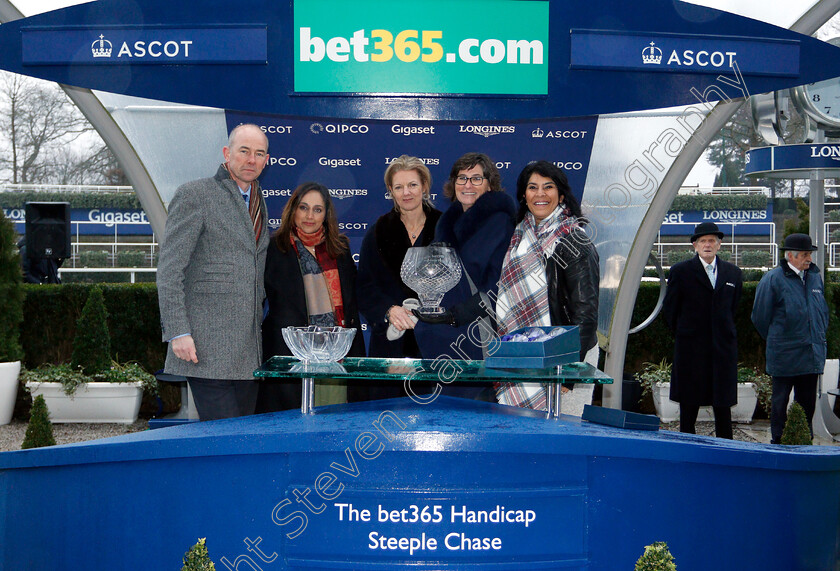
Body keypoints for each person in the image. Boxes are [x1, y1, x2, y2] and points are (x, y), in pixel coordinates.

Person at [157, 123, 269, 421]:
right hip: (205, 348)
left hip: (248, 352)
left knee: (241, 441)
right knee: (226, 441)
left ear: (266, 160)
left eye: (259, 154)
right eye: (244, 151)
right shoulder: (195, 194)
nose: (251, 160)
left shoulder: (258, 201)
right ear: (226, 153)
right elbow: (170, 269)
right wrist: (178, 332)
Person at [495, 160, 600, 411]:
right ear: (524, 195)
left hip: (566, 356)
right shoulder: (518, 236)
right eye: (533, 187)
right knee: (522, 434)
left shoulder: (574, 239)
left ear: (561, 194)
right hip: (522, 354)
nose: (540, 194)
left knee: (563, 438)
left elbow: (585, 313)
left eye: (548, 187)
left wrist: (569, 370)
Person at [413, 152, 517, 400]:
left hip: (474, 337)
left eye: (476, 179)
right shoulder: (446, 223)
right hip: (442, 338)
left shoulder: (500, 223)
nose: (467, 185)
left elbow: (499, 288)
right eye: (462, 178)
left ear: (489, 184)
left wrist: (454, 315)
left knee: (474, 414)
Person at [258, 182, 365, 412]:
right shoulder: (274, 249)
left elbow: (353, 304)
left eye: (317, 210)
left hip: (336, 359)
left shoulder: (341, 249)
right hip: (290, 359)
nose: (309, 216)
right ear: (293, 209)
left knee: (335, 424)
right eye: (303, 207)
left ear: (326, 214)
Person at [354, 156, 441, 401]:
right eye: (399, 187)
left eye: (412, 185)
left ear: (424, 186)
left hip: (437, 345)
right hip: (391, 346)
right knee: (387, 416)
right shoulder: (378, 231)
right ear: (390, 191)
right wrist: (389, 310)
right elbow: (364, 286)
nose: (406, 193)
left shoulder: (445, 226)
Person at [661, 222, 742, 439]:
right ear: (695, 245)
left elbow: (734, 308)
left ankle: (726, 451)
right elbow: (670, 310)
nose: (708, 245)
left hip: (722, 351)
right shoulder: (681, 271)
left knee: (723, 405)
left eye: (712, 241)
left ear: (719, 245)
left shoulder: (733, 273)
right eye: (703, 241)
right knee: (689, 406)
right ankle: (687, 450)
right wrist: (687, 335)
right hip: (691, 351)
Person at [752, 233, 829, 444]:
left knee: (807, 404)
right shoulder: (773, 279)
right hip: (784, 355)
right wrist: (778, 340)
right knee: (780, 403)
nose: (809, 259)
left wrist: (819, 334)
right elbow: (759, 317)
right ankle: (778, 441)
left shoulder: (814, 277)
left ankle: (804, 440)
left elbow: (821, 311)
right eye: (805, 254)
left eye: (809, 254)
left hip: (810, 354)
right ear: (790, 256)